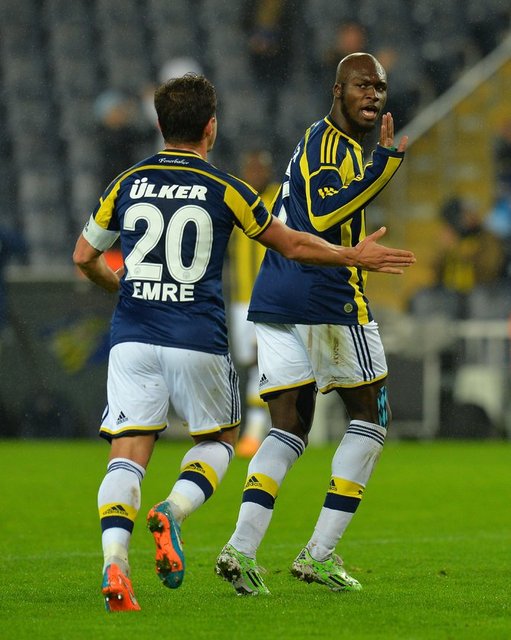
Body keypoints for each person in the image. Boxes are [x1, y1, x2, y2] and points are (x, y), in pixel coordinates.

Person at [73, 73, 414, 612]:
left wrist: (120, 286)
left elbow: (83, 256)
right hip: (204, 332)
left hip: (138, 331)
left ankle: (120, 562)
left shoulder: (127, 181)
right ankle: (186, 514)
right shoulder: (225, 186)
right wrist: (353, 252)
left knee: (132, 454)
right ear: (211, 127)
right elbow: (297, 240)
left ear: (159, 124)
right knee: (227, 440)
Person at [215, 53, 410, 596]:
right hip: (326, 297)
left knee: (288, 428)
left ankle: (240, 549)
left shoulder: (321, 140)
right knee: (371, 417)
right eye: (361, 85)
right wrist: (384, 167)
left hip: (276, 297)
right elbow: (323, 216)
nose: (373, 95)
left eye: (380, 87)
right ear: (336, 91)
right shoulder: (332, 147)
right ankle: (319, 555)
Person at [228, 149, 279, 458]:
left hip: (269, 297)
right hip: (239, 301)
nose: (254, 173)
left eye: (259, 168)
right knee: (250, 365)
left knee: (263, 362)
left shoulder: (279, 198)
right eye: (250, 168)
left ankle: (255, 432)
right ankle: (268, 425)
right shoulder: (237, 200)